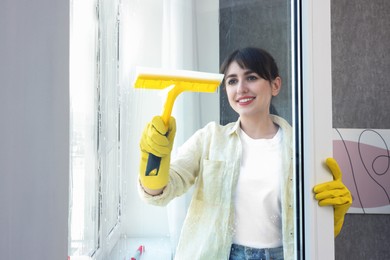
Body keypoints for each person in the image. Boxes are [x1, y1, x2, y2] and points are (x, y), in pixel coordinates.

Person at [137, 47, 352, 260]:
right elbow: (159, 193)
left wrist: (330, 217)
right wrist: (154, 158)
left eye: (251, 77)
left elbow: (310, 225)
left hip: (283, 255)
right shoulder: (209, 138)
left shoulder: (303, 146)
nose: (240, 88)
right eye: (231, 81)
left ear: (275, 85)